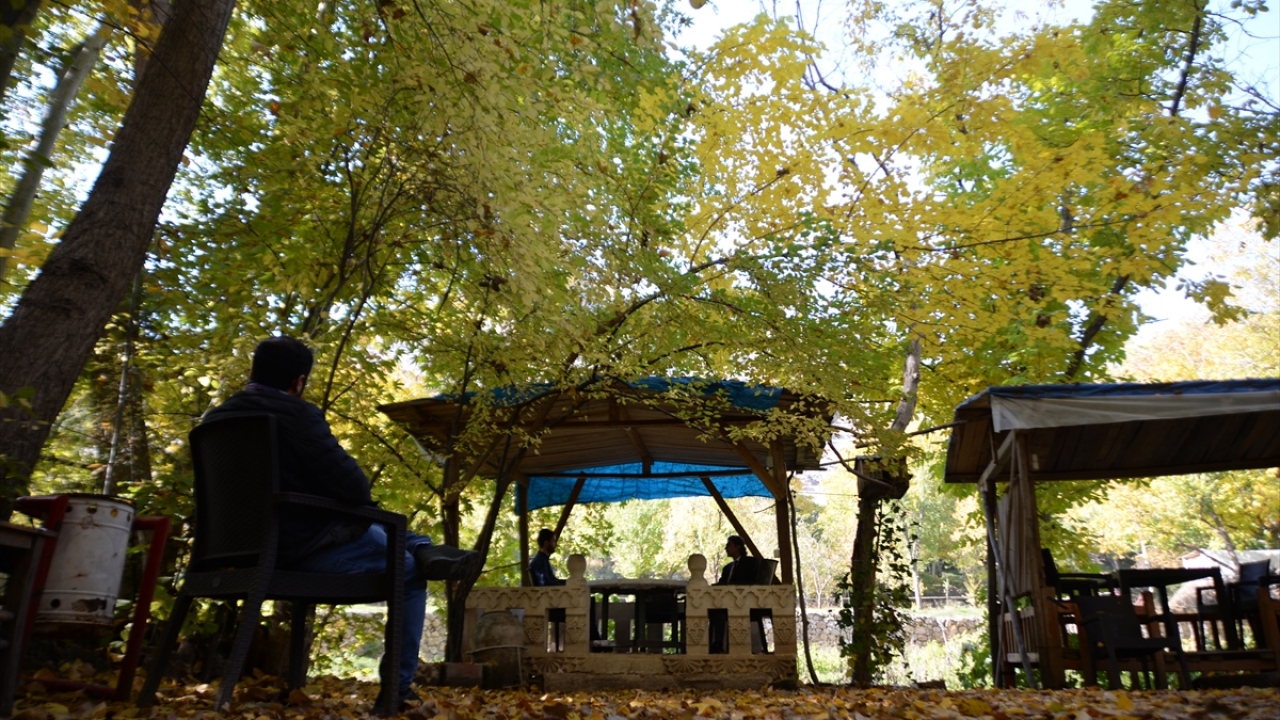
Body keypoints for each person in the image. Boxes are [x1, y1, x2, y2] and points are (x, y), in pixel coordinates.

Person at [203, 336, 481, 710]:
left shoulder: (215, 420)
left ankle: (421, 544)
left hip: (228, 553)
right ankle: (397, 690)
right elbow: (355, 488)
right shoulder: (296, 416)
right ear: (299, 382)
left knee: (387, 535)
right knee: (410, 571)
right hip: (294, 554)